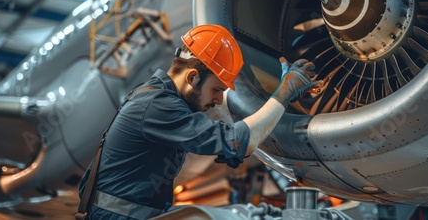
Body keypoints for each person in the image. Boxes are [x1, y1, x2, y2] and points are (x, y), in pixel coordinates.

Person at [78, 24, 319, 219]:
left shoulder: (164, 99)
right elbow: (239, 141)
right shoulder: (157, 105)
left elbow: (235, 137)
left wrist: (280, 96)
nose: (217, 100)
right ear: (192, 77)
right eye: (216, 89)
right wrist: (283, 95)